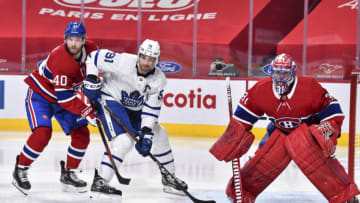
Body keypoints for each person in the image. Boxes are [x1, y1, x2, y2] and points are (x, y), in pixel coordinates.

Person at [209, 53, 360, 203]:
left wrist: (326, 132)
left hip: (307, 135)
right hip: (276, 132)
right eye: (277, 72)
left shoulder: (309, 87)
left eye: (285, 73)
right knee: (261, 164)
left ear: (293, 73)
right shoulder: (261, 90)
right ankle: (241, 192)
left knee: (312, 156)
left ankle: (344, 195)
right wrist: (234, 136)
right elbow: (242, 118)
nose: (280, 77)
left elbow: (333, 111)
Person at [83, 39, 188, 196]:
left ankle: (169, 178)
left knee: (160, 135)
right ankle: (101, 180)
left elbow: (152, 108)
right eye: (144, 57)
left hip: (134, 109)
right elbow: (93, 57)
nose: (146, 62)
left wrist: (146, 133)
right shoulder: (123, 61)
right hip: (111, 99)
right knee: (124, 141)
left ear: (157, 60)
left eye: (151, 59)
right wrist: (91, 79)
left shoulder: (159, 79)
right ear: (138, 55)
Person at [12, 21, 99, 195]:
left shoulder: (92, 49)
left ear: (84, 40)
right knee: (42, 133)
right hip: (41, 95)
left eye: (78, 40)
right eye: (70, 39)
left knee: (82, 134)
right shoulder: (62, 61)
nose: (73, 44)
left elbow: (97, 69)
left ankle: (69, 173)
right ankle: (20, 168)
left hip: (62, 95)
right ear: (65, 39)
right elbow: (66, 99)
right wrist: (87, 110)